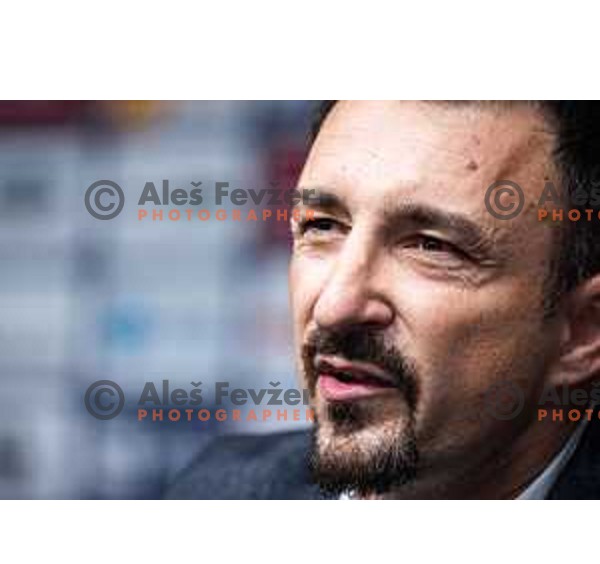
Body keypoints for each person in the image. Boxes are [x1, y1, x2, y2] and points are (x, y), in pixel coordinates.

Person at [167, 101, 600, 499]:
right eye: (323, 226)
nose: (334, 307)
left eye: (431, 247)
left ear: (584, 330)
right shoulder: (218, 492)